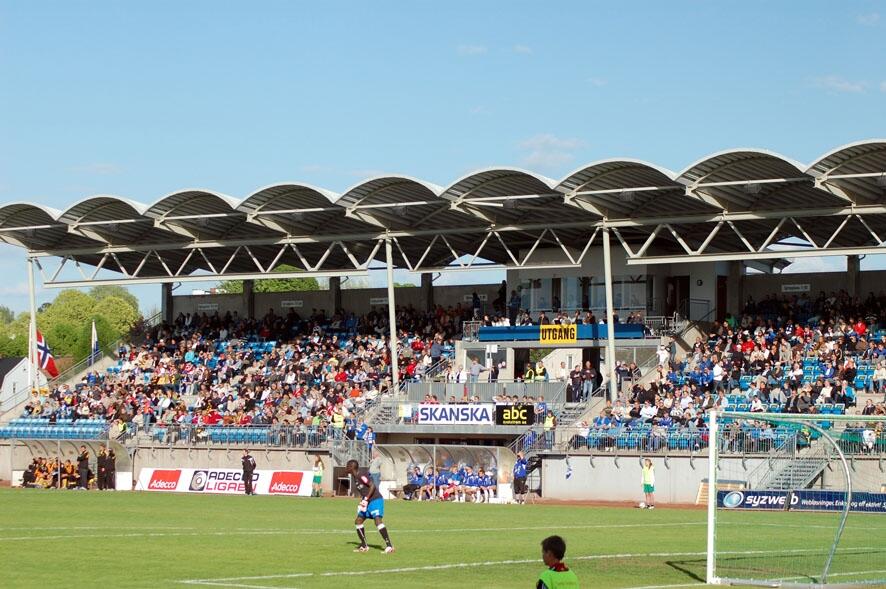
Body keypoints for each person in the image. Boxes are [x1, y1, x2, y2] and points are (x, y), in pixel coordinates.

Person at [346, 459, 394, 554]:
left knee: (377, 521)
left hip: (375, 500)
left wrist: (366, 499)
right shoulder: (355, 477)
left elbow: (372, 486)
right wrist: (362, 502)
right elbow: (364, 490)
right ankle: (364, 545)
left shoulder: (361, 475)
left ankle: (389, 546)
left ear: (352, 467)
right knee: (358, 521)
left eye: (347, 466)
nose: (346, 468)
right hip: (367, 501)